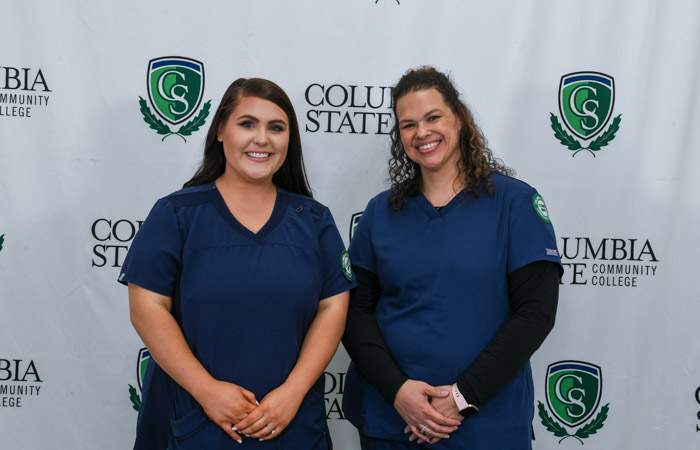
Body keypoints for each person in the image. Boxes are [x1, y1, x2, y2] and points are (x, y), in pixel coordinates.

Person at [119, 78, 355, 449]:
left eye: (276, 127)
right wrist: (207, 391)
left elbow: (333, 307)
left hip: (290, 424)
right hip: (196, 420)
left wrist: (292, 393)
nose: (262, 138)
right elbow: (147, 307)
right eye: (247, 124)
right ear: (219, 132)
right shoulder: (176, 215)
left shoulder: (313, 220)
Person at [342, 67, 563, 449]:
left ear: (459, 117)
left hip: (486, 423)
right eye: (408, 124)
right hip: (391, 419)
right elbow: (354, 312)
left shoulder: (515, 203)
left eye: (433, 117)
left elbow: (536, 313)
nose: (422, 133)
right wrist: (398, 391)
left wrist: (461, 398)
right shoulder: (381, 212)